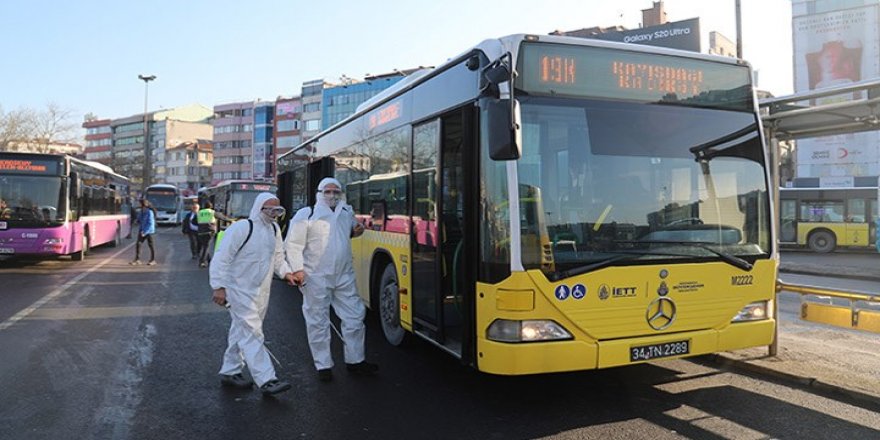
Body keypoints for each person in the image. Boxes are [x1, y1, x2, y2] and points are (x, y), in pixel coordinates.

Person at [284, 177, 375, 382]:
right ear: (319, 193)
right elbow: (293, 245)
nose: (332, 196)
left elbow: (350, 232)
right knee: (318, 321)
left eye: (336, 192)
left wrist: (357, 230)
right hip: (315, 276)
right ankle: (323, 365)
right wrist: (297, 270)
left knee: (354, 317)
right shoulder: (306, 215)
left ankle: (356, 360)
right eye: (327, 191)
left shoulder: (345, 212)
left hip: (343, 275)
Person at [210, 193, 296, 396]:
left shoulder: (274, 230)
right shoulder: (242, 228)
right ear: (259, 208)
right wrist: (219, 286)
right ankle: (267, 379)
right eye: (270, 209)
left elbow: (277, 258)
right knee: (252, 332)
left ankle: (230, 370)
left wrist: (287, 273)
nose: (274, 214)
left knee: (240, 330)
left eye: (278, 210)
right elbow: (222, 258)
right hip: (238, 290)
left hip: (261, 291)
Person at [131, 199, 157, 265]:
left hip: (149, 231)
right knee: (138, 244)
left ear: (143, 205)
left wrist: (145, 232)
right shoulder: (141, 211)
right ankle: (137, 259)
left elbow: (150, 223)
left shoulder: (149, 212)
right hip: (142, 230)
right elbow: (139, 219)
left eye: (140, 204)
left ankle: (153, 260)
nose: (139, 205)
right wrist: (136, 221)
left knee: (151, 245)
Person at [197, 201, 217, 268]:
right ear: (211, 206)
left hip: (200, 232)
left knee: (205, 246)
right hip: (209, 232)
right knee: (206, 247)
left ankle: (209, 260)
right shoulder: (212, 212)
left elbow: (194, 221)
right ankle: (202, 261)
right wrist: (231, 220)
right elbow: (222, 217)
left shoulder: (199, 212)